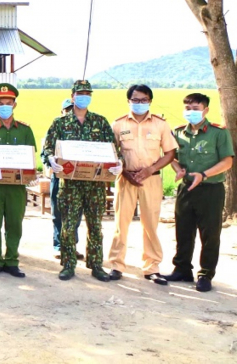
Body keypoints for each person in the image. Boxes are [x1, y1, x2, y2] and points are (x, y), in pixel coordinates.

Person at [43, 80, 122, 282]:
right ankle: (68, 264)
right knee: (68, 226)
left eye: (87, 93)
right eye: (80, 93)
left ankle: (96, 265)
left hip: (95, 185)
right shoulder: (60, 123)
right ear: (72, 97)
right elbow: (49, 147)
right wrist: (51, 159)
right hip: (69, 184)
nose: (84, 97)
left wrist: (117, 162)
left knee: (95, 225)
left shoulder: (100, 122)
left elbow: (113, 149)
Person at [108, 85, 178, 284]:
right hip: (125, 179)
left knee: (150, 225)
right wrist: (124, 171)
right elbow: (112, 153)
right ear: (128, 101)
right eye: (136, 100)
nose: (140, 103)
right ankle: (116, 265)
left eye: (144, 100)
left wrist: (148, 170)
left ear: (150, 101)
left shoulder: (160, 124)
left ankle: (151, 267)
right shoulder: (118, 124)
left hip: (152, 179)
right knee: (121, 223)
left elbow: (170, 153)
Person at [164, 93, 233, 292]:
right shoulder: (178, 133)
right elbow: (170, 156)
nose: (191, 112)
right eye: (188, 109)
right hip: (186, 189)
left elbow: (227, 161)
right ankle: (182, 269)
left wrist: (203, 174)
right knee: (183, 231)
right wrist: (178, 169)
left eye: (196, 108)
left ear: (205, 110)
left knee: (210, 234)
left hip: (211, 189)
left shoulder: (218, 133)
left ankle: (205, 274)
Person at [0, 83, 35, 277]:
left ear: (14, 105)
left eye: (8, 102)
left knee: (14, 225)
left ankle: (12, 261)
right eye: (0, 102)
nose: (4, 106)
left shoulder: (25, 130)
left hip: (16, 187)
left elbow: (30, 158)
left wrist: (30, 176)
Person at [44, 98, 84, 260]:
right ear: (62, 112)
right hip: (59, 177)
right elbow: (45, 151)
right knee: (58, 213)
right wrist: (51, 161)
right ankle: (59, 245)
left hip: (78, 179)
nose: (69, 112)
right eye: (66, 110)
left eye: (72, 109)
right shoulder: (56, 127)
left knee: (76, 213)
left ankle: (72, 245)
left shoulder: (83, 130)